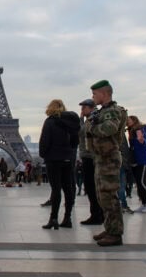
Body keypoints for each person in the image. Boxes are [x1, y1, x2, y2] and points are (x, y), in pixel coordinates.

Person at [85, 80, 127, 246]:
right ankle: (110, 228)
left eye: (95, 94)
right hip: (102, 157)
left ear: (103, 94)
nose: (93, 97)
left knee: (109, 195)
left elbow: (110, 128)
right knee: (103, 195)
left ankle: (115, 233)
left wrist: (92, 128)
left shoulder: (112, 111)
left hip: (109, 157)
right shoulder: (103, 111)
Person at [39, 99, 80, 229]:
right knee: (68, 189)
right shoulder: (71, 123)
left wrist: (44, 154)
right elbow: (75, 141)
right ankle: (67, 218)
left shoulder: (50, 121)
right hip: (67, 159)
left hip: (53, 159)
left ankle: (54, 219)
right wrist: (68, 152)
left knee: (56, 190)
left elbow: (44, 141)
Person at [77, 99, 104, 225]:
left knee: (91, 187)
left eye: (84, 108)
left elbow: (82, 132)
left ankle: (97, 215)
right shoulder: (92, 118)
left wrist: (80, 120)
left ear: (91, 108)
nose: (82, 110)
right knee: (91, 187)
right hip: (89, 156)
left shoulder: (93, 119)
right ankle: (98, 214)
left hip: (90, 157)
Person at [126, 116, 146, 213]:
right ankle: (144, 203)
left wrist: (141, 140)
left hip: (141, 159)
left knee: (141, 182)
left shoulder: (140, 129)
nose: (127, 122)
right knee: (138, 183)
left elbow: (143, 142)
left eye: (128, 120)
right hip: (135, 159)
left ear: (134, 121)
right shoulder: (131, 131)